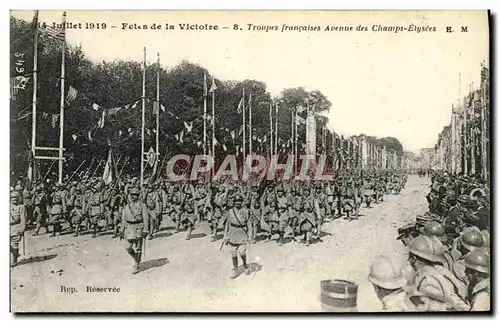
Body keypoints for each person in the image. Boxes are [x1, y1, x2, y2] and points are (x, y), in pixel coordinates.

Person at [120, 187, 149, 274]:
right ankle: (137, 258)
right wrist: (121, 230)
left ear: (138, 196)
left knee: (138, 248)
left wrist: (145, 230)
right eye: (132, 195)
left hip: (138, 227)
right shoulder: (126, 206)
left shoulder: (142, 205)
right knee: (128, 247)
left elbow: (145, 218)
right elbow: (123, 219)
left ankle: (137, 265)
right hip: (129, 228)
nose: (133, 196)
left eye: (135, 195)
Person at [222, 194, 251, 279]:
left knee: (242, 252)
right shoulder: (230, 211)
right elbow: (227, 225)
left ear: (241, 202)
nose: (238, 203)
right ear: (233, 202)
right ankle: (235, 269)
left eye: (239, 201)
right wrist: (225, 235)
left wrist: (250, 236)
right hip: (233, 234)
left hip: (242, 233)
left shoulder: (246, 211)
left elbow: (249, 224)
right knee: (233, 254)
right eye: (236, 201)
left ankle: (245, 264)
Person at [10, 191, 27, 267]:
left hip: (16, 228)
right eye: (13, 198)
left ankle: (14, 260)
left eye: (16, 198)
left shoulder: (21, 207)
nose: (14, 199)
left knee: (14, 244)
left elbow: (23, 219)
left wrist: (22, 229)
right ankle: (15, 253)